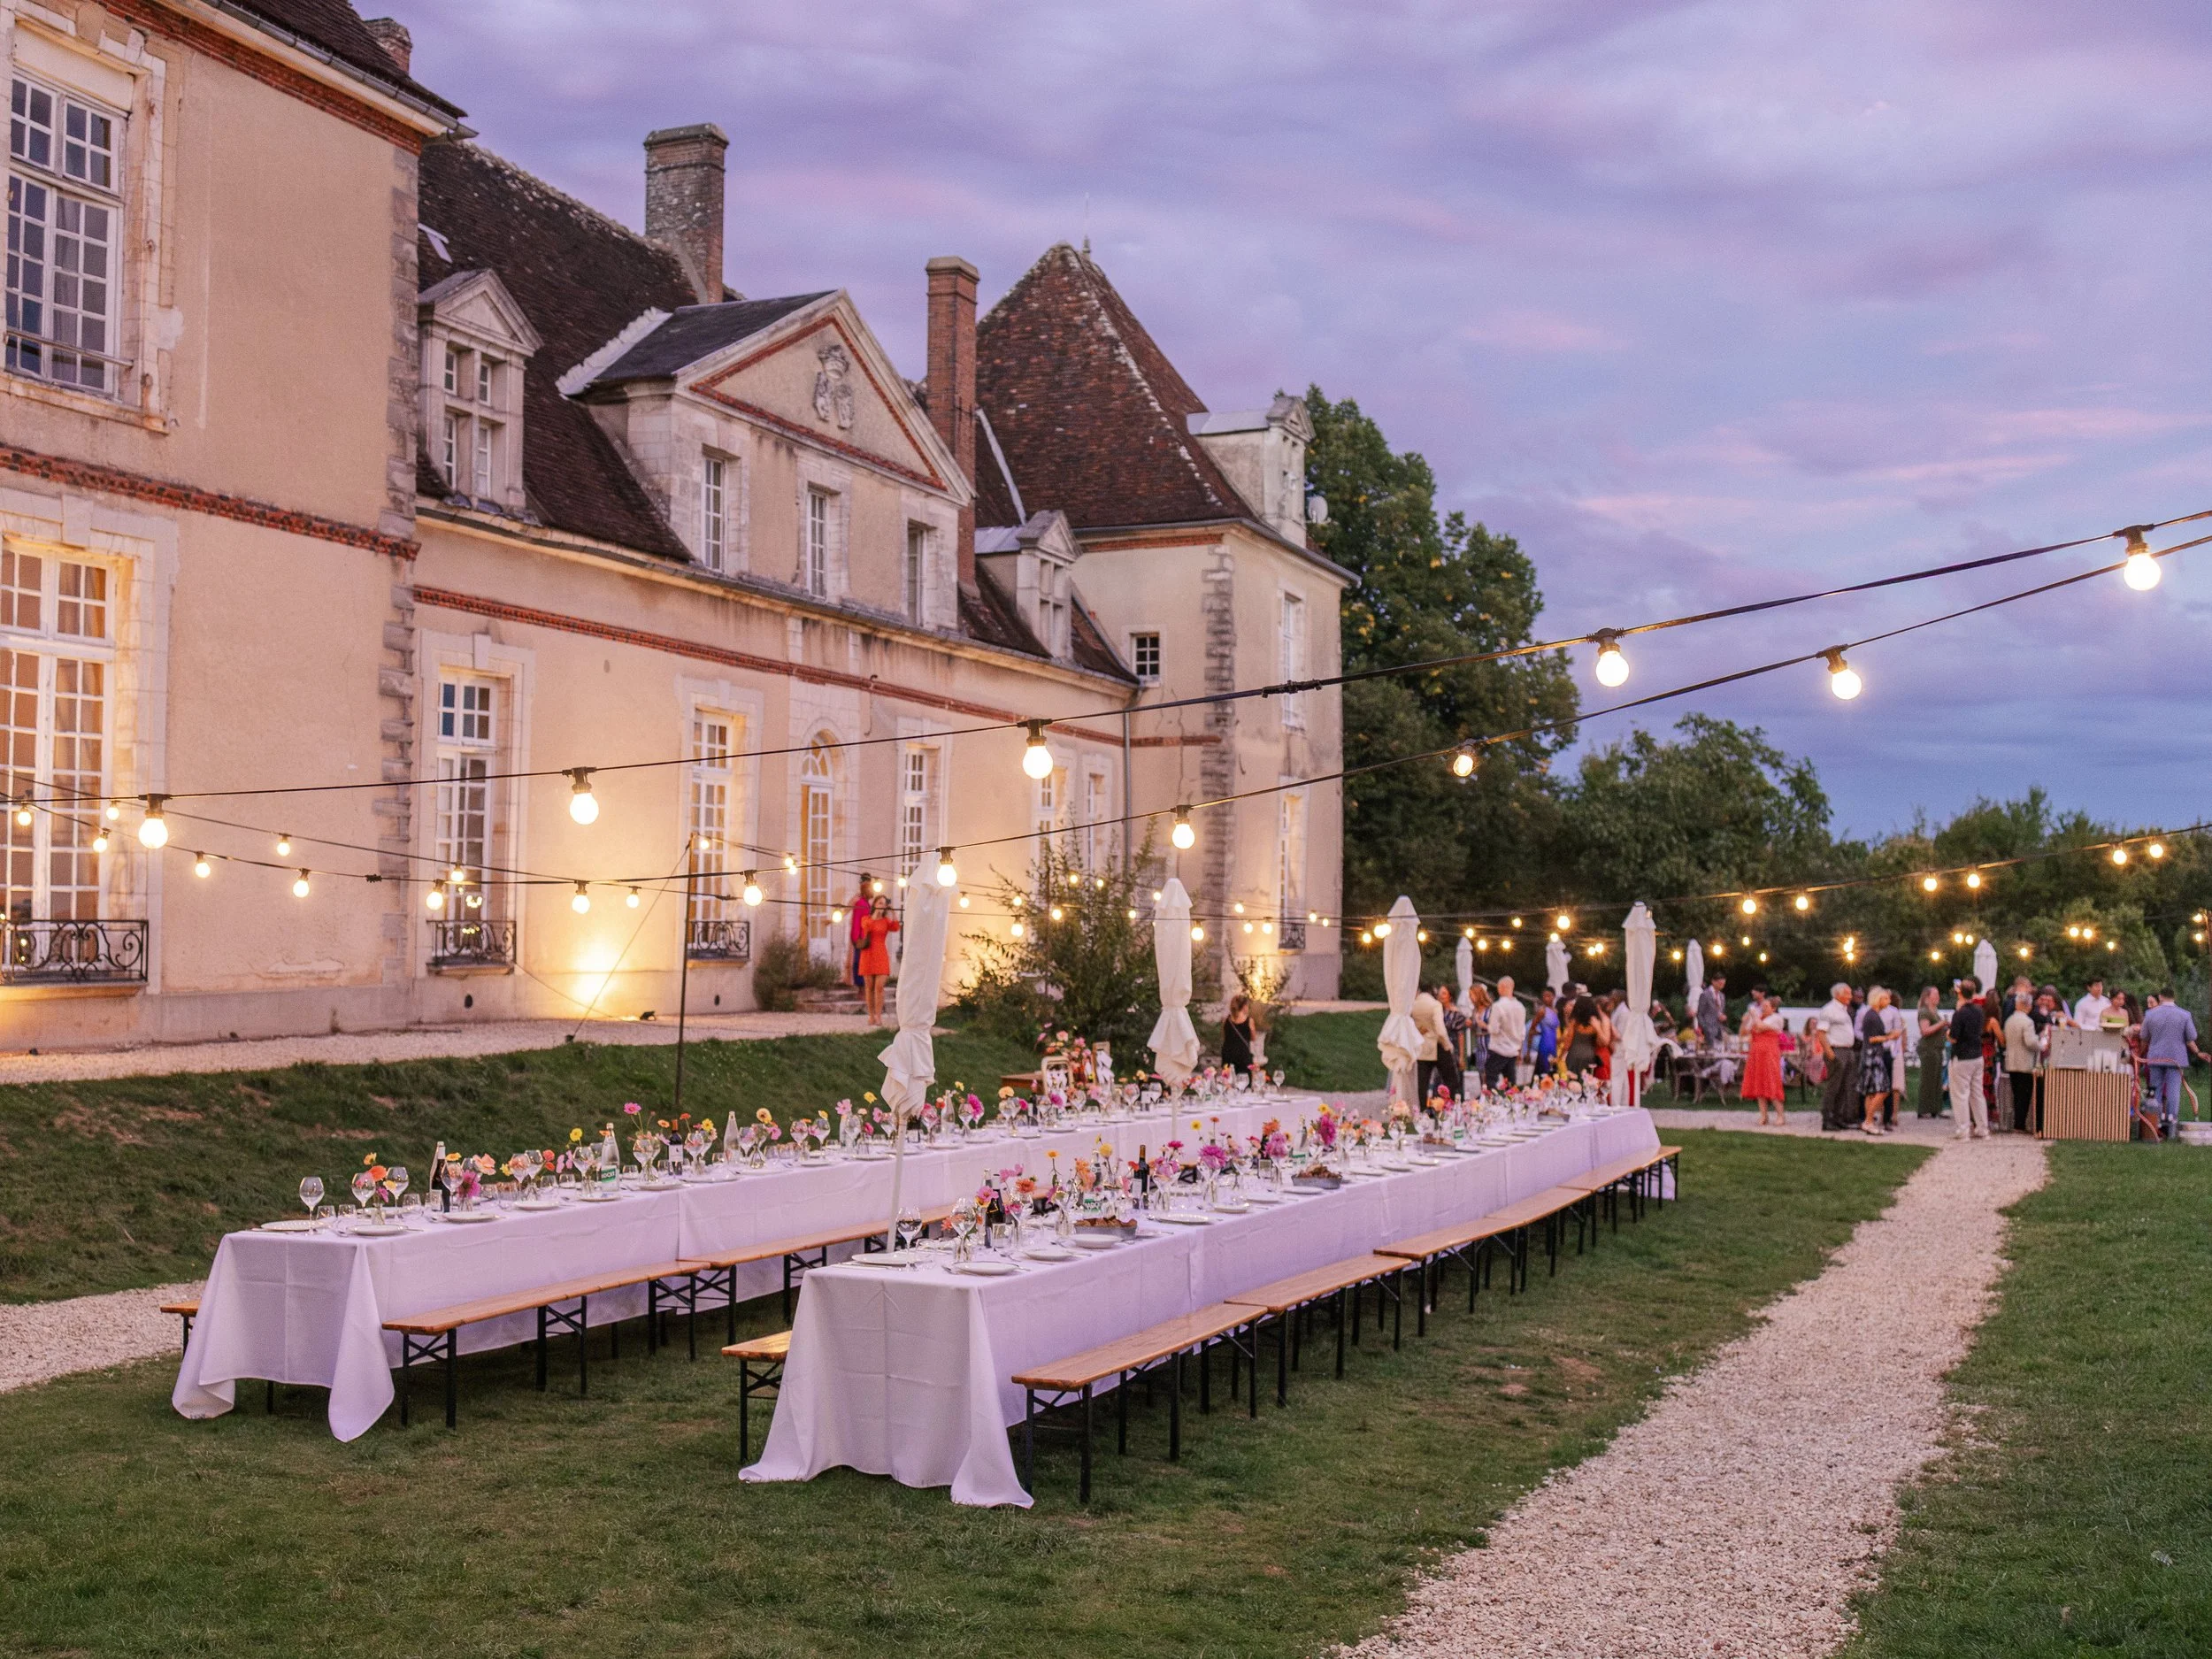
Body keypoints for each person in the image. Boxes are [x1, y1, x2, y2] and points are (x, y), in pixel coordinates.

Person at [2140, 987, 2203, 1140]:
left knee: (2155, 1090)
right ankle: (2171, 1121)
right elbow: (2192, 1036)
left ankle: (2155, 1122)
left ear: (2160, 997)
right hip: (2176, 1058)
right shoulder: (2184, 1015)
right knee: (2173, 1090)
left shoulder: (2150, 1014)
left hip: (2155, 1057)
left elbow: (2144, 1036)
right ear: (2174, 997)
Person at [1812, 982, 1860, 1133]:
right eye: (1848, 993)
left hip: (1847, 1050)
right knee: (1834, 1085)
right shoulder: (1829, 1010)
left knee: (1845, 1086)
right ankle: (1827, 1118)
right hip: (1837, 1050)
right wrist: (1830, 1053)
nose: (1850, 997)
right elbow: (1821, 1032)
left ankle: (1838, 1117)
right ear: (1838, 994)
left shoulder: (1843, 1010)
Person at [1949, 976, 1990, 1139]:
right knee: (1977, 1094)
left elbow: (1954, 1037)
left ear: (1960, 994)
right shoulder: (1979, 1012)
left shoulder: (1960, 1014)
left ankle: (1963, 1129)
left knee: (1960, 1094)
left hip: (1962, 1056)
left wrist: (1948, 1034)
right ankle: (1982, 1128)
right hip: (1977, 1055)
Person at [1740, 992, 1787, 1125]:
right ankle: (1764, 1115)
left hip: (1769, 1053)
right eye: (1762, 1006)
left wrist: (1754, 1015)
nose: (1763, 1008)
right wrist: (1746, 1019)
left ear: (1773, 1008)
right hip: (1756, 1053)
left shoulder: (1776, 1018)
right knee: (1759, 1082)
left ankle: (1780, 1115)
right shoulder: (1758, 1017)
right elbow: (1744, 1032)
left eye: (1766, 1006)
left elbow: (1760, 1028)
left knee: (1771, 1081)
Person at [2001, 992, 2044, 1135]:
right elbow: (2030, 1042)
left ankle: (2017, 1123)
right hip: (2025, 1062)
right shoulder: (2027, 1022)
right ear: (2029, 1006)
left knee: (2016, 1094)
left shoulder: (2009, 1020)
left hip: (2011, 1061)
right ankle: (2019, 1125)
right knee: (2024, 1096)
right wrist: (2041, 1044)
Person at [1857, 988, 1899, 1135]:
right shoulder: (1872, 1016)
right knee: (1883, 1089)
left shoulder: (1873, 1015)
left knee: (1871, 1091)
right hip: (1873, 1055)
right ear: (1878, 999)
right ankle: (1868, 1120)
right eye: (1886, 999)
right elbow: (1872, 1038)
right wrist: (1889, 1038)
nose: (1888, 1001)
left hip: (1872, 1054)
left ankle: (1869, 1122)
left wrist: (1889, 1034)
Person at [856, 899, 900, 1025]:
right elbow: (866, 928)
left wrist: (892, 912)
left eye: (884, 904)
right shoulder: (866, 919)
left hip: (881, 954)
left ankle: (879, 1016)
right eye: (880, 903)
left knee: (879, 987)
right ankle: (871, 1016)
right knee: (869, 987)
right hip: (868, 955)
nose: (882, 906)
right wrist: (876, 914)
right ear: (874, 904)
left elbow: (896, 927)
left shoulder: (886, 921)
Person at [1486, 977, 1527, 1091]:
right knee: (1510, 1082)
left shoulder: (1498, 1006)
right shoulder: (1521, 1007)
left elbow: (1494, 1029)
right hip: (1513, 1049)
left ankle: (1491, 1103)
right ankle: (1512, 1104)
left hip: (1499, 1048)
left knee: (1491, 1078)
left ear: (1501, 988)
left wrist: (1485, 1026)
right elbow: (1522, 1032)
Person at [1914, 987, 1949, 1118]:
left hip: (1937, 1048)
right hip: (1928, 1049)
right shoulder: (1924, 1012)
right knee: (1927, 1079)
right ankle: (1924, 1109)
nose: (1938, 997)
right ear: (1928, 997)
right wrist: (1942, 1024)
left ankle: (1936, 1108)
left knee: (1936, 1079)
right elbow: (1925, 1030)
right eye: (1935, 994)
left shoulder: (1935, 1012)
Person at [1430, 984, 1466, 1101]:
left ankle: (1452, 1102)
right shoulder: (1436, 1011)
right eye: (1440, 993)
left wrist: (1461, 1056)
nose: (1441, 996)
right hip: (1438, 1047)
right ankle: (1437, 1103)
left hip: (1451, 1047)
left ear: (1450, 996)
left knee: (1452, 1077)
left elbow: (1461, 1036)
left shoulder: (1457, 1014)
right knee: (1438, 1077)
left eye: (1444, 993)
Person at [1411, 982, 1445, 1105]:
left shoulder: (1413, 1005)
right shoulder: (1435, 1005)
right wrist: (1447, 1044)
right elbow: (1440, 1029)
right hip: (1435, 1046)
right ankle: (1439, 1104)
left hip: (1421, 1048)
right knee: (1444, 1078)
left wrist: (1418, 1030)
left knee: (1423, 1082)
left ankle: (1423, 1108)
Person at [1562, 994, 1602, 1077]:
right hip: (1590, 1056)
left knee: (1573, 1083)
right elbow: (1598, 1042)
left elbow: (1568, 1041)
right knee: (1587, 1081)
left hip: (1574, 1055)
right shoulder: (1595, 1022)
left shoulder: (1574, 1022)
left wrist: (1560, 1056)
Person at [846, 876, 875, 987]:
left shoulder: (867, 904)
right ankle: (860, 986)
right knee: (859, 962)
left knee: (864, 962)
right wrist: (856, 938)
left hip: (866, 937)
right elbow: (857, 921)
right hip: (860, 937)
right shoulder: (860, 903)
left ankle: (863, 985)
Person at [1222, 991, 1256, 1076]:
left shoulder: (1226, 1020)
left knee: (1228, 1081)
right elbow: (1253, 1038)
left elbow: (1224, 1036)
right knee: (1244, 1081)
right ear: (1244, 1006)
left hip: (1228, 1054)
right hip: (1243, 1055)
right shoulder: (1249, 1021)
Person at [1532, 987, 1560, 1077]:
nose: (1546, 998)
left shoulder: (1556, 1011)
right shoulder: (1542, 1011)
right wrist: (1528, 1051)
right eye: (1544, 996)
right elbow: (1532, 1028)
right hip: (1544, 1044)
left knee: (1553, 1071)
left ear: (1554, 997)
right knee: (1543, 1070)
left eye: (1548, 996)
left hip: (1554, 1045)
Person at [1696, 975, 1727, 1048]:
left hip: (1719, 1028)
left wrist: (1723, 1017)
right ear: (1713, 981)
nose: (1722, 986)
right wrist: (1705, 1028)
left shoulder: (1722, 996)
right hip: (1708, 1029)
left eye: (1723, 984)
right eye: (1720, 983)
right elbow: (1700, 1014)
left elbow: (1720, 1011)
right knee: (1709, 1051)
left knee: (1720, 1049)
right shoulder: (1705, 995)